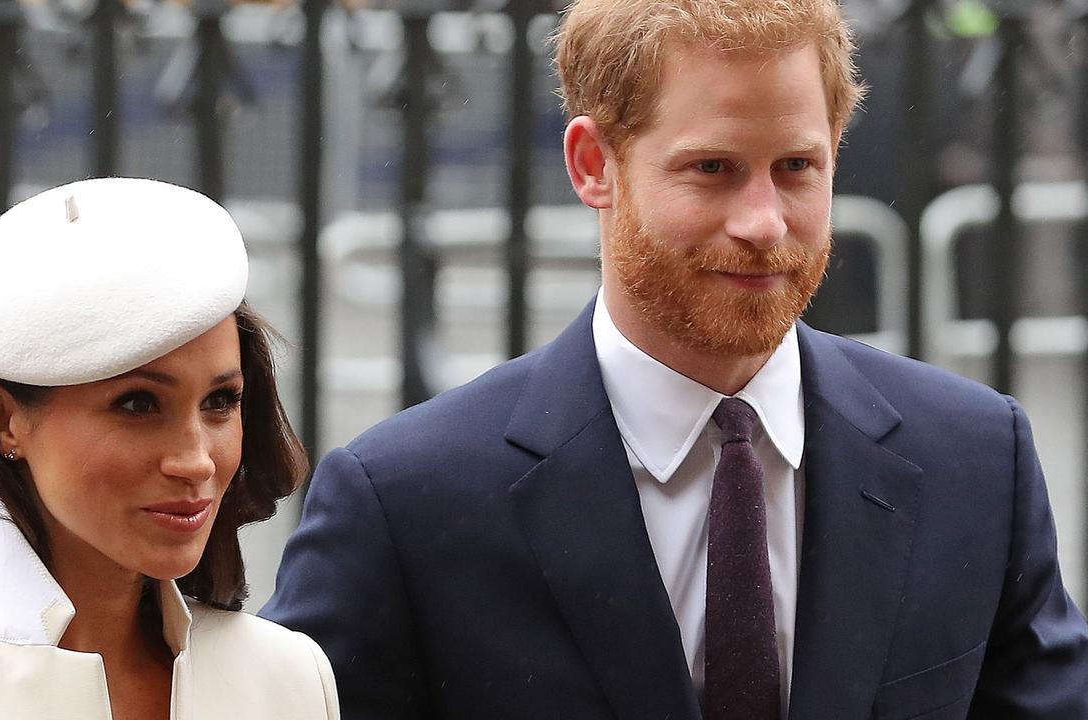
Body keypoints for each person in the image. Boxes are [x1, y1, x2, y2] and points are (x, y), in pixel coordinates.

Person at [261, 1, 1088, 718]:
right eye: (712, 170)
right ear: (593, 166)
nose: (763, 221)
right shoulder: (407, 502)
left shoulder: (975, 460)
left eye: (796, 167)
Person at [0, 178, 339, 720]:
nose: (196, 459)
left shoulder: (290, 682)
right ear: (6, 422)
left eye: (220, 401)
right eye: (137, 405)